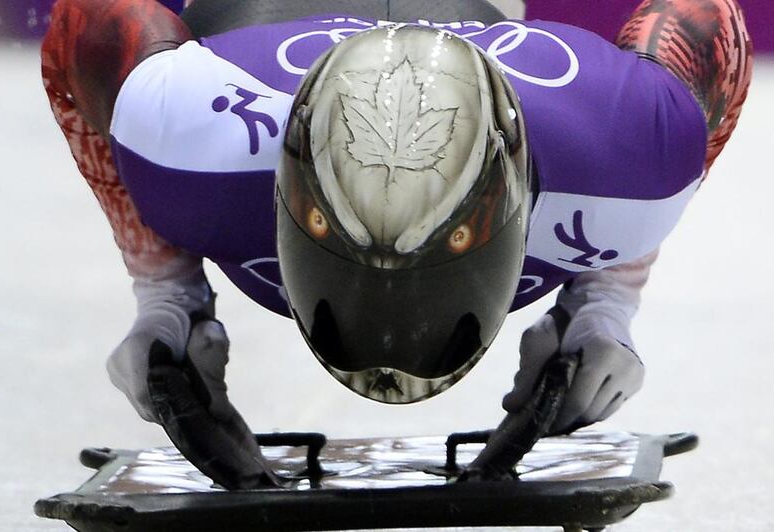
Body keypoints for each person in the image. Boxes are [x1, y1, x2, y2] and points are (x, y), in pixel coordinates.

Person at [41, 0, 751, 486]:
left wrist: (606, 297)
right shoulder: (189, 139)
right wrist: (166, 292)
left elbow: (86, 23)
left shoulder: (181, 144)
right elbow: (710, 26)